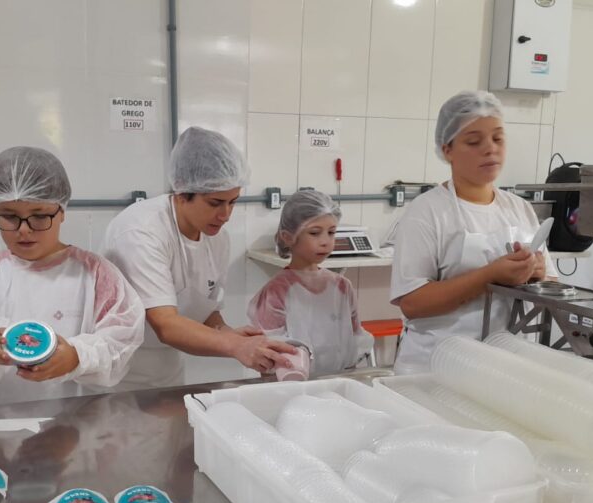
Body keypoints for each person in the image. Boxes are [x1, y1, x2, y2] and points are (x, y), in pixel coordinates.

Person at [0, 146, 144, 408]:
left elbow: (121, 342)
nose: (24, 230)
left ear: (61, 211)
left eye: (39, 216)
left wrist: (77, 358)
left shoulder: (95, 275)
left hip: (77, 421)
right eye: (9, 216)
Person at [104, 127, 296, 387]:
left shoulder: (216, 237)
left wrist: (228, 333)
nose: (225, 215)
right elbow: (165, 325)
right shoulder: (141, 232)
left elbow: (206, 308)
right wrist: (235, 346)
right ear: (182, 194)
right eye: (215, 203)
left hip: (168, 368)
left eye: (233, 202)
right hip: (120, 373)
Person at [390, 90, 553, 374]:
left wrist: (537, 273)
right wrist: (489, 276)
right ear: (448, 150)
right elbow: (413, 303)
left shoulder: (519, 209)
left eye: (498, 139)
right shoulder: (427, 212)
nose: (490, 149)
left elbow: (551, 282)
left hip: (506, 369)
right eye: (474, 141)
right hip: (436, 370)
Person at [247, 188, 373, 376]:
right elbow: (271, 351)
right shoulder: (277, 292)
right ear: (288, 237)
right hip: (292, 383)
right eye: (315, 233)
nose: (325, 241)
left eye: (331, 232)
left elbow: (356, 337)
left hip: (340, 380)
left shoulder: (342, 287)